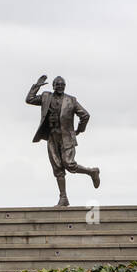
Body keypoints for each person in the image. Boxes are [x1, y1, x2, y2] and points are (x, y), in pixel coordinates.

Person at [26, 74, 101, 206]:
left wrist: (79, 130)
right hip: (52, 136)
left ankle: (92, 172)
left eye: (62, 85)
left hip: (66, 137)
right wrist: (37, 86)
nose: (60, 87)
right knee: (57, 168)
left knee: (69, 164)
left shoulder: (71, 100)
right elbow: (29, 99)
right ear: (53, 86)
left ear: (65, 86)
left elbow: (85, 115)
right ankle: (63, 198)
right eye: (57, 85)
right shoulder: (45, 97)